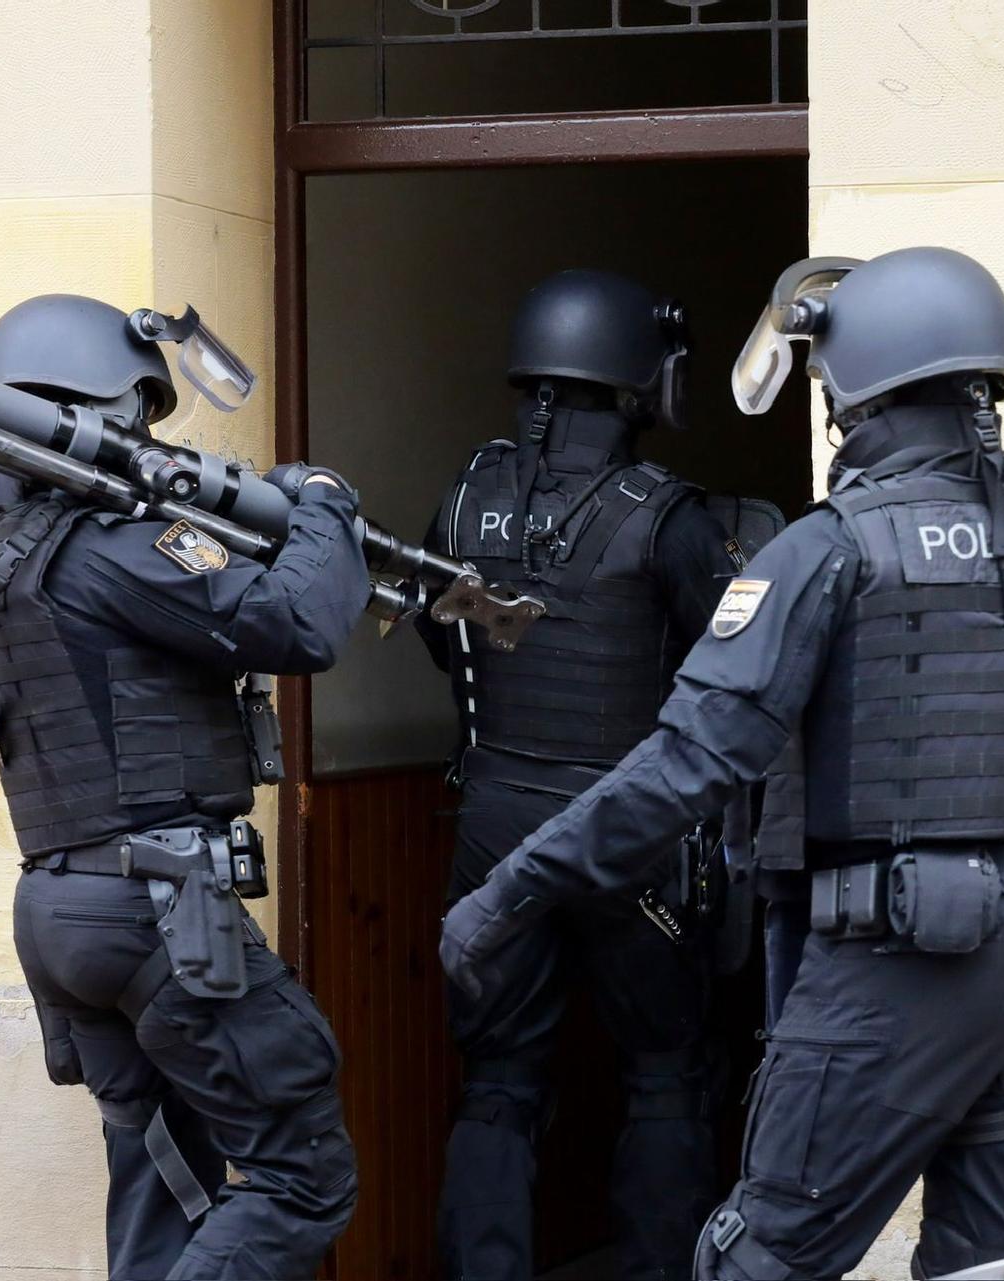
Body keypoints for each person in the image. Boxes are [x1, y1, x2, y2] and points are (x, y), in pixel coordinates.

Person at [440, 248, 1004, 1278]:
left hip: (890, 962)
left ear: (857, 393)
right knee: (989, 1263)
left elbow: (691, 759)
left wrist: (508, 892)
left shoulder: (828, 550)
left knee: (759, 1258)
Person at [0, 294, 367, 1280]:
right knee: (301, 1180)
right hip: (155, 912)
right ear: (107, 408)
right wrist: (324, 505)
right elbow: (296, 623)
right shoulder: (111, 550)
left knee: (164, 1177)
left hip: (61, 909)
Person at [416, 269, 742, 1281]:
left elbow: (446, 646)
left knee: (498, 1082)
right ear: (638, 378)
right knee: (663, 1074)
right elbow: (733, 674)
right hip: (628, 830)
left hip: (491, 824)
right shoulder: (671, 518)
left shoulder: (463, 499)